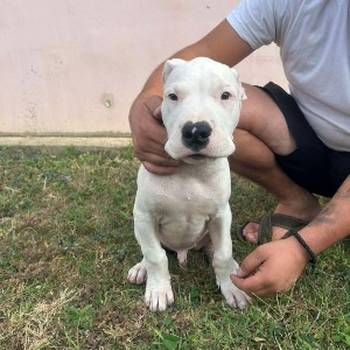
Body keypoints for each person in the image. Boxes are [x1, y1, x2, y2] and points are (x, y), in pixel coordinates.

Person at [128, 0, 350, 296]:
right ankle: (298, 202)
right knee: (224, 106)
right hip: (315, 142)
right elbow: (198, 56)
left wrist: (302, 246)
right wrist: (143, 103)